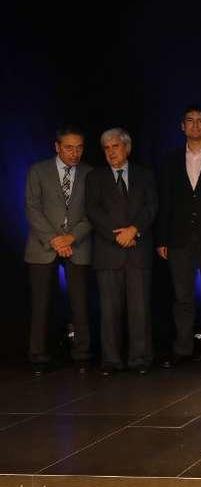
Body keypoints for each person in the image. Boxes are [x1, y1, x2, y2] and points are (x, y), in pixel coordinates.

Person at [156, 105, 201, 368]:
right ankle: (183, 348)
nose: (195, 125)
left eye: (200, 121)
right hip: (179, 239)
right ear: (182, 126)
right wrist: (162, 238)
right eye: (190, 121)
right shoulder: (170, 160)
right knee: (182, 298)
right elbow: (164, 201)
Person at [85, 128, 157, 375]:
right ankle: (111, 360)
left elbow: (151, 206)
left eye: (115, 147)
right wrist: (118, 237)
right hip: (108, 252)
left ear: (127, 147)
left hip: (138, 251)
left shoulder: (145, 175)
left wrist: (134, 230)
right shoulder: (95, 177)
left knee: (140, 309)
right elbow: (93, 211)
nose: (111, 152)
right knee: (109, 311)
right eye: (106, 148)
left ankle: (140, 359)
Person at [24, 125, 93, 375]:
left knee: (80, 303)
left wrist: (71, 237)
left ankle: (82, 354)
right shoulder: (38, 171)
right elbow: (32, 208)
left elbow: (93, 212)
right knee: (41, 303)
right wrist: (55, 239)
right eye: (68, 148)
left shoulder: (90, 173)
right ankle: (39, 356)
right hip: (43, 246)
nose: (75, 153)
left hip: (79, 244)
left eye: (79, 148)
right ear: (57, 147)